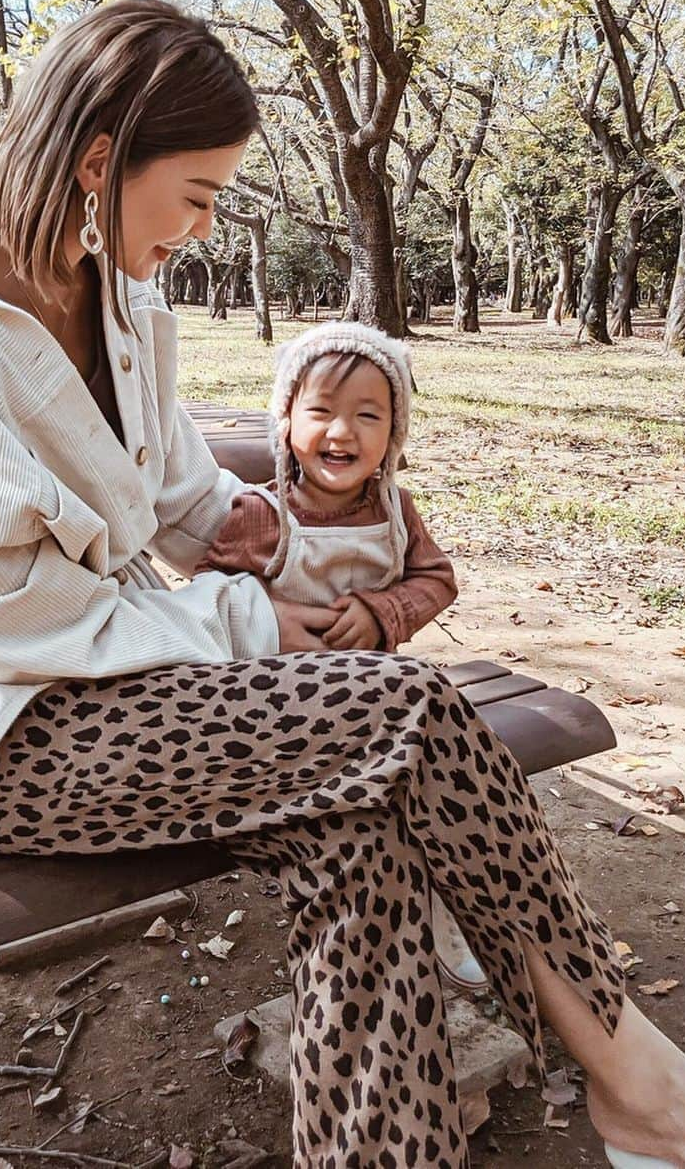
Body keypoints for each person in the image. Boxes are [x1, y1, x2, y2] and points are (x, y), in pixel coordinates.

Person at [0, 0, 685, 1169]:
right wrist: (239, 612)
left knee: (361, 845)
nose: (201, 229)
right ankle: (652, 1095)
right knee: (410, 708)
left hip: (142, 691)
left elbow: (175, 491)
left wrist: (251, 527)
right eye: (201, 195)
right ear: (101, 158)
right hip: (3, 741)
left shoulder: (124, 302)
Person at [194, 318, 487, 991]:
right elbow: (211, 598)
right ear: (289, 421)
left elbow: (436, 580)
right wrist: (264, 622)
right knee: (373, 812)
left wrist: (384, 612)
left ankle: (453, 910)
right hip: (285, 711)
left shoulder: (395, 510)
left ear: (393, 434)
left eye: (368, 416)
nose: (342, 432)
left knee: (444, 779)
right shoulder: (263, 514)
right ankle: (361, 945)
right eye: (321, 411)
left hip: (383, 697)